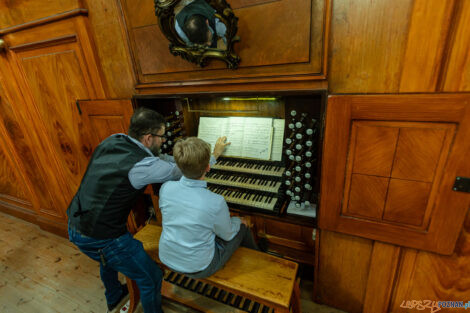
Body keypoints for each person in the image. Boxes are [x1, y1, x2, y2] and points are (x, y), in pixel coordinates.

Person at [67, 107, 183, 313]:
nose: (163, 141)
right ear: (148, 138)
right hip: (101, 236)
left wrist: (168, 157)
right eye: (161, 137)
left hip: (76, 224)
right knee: (151, 277)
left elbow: (156, 160)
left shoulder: (114, 139)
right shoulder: (143, 166)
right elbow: (178, 171)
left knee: (107, 261)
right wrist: (211, 157)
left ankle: (114, 297)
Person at [158, 137, 265, 279]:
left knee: (211, 226)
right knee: (242, 226)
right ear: (208, 167)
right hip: (199, 268)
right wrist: (238, 221)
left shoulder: (166, 188)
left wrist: (215, 155)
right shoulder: (215, 202)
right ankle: (259, 260)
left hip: (167, 257)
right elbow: (227, 235)